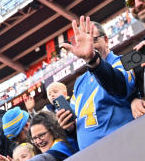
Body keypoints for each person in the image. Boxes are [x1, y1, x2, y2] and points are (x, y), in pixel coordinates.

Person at [58, 19, 136, 149]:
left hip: (121, 147)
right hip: (91, 158)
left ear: (105, 40)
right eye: (84, 42)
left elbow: (119, 86)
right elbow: (76, 120)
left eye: (93, 40)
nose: (89, 46)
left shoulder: (123, 62)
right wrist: (68, 125)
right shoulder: (79, 82)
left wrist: (93, 60)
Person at [0, 112, 79, 161]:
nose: (38, 141)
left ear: (53, 131)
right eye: (34, 138)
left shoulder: (62, 145)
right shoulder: (39, 148)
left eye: (42, 135)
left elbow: (44, 160)